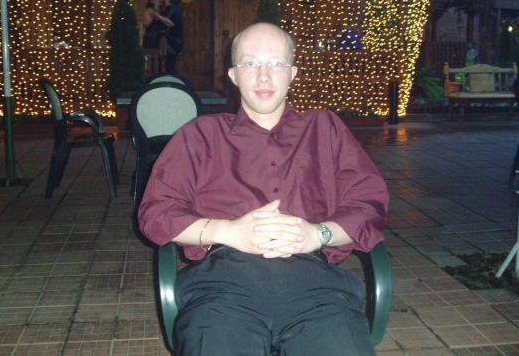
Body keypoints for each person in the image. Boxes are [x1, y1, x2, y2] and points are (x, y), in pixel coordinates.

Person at [138, 22, 389, 356]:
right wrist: (227, 231)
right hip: (221, 288)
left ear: (292, 73)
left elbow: (369, 203)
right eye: (251, 63)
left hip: (318, 290)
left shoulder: (325, 128)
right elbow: (156, 212)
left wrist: (318, 234)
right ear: (233, 75)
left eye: (276, 63)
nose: (264, 76)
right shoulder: (200, 135)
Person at [160, 0, 184, 74]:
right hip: (176, 40)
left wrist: (158, 16)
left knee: (169, 64)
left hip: (171, 40)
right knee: (171, 63)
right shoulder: (176, 9)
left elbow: (169, 22)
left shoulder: (171, 8)